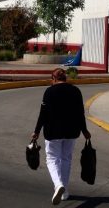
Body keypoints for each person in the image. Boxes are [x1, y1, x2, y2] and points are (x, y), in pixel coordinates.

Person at [32, 68, 91, 205]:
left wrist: (36, 131)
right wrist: (84, 131)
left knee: (52, 159)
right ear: (65, 78)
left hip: (53, 132)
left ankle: (58, 185)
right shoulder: (75, 91)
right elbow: (80, 114)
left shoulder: (49, 92)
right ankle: (64, 192)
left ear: (53, 78)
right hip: (71, 131)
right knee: (66, 159)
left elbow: (43, 114)